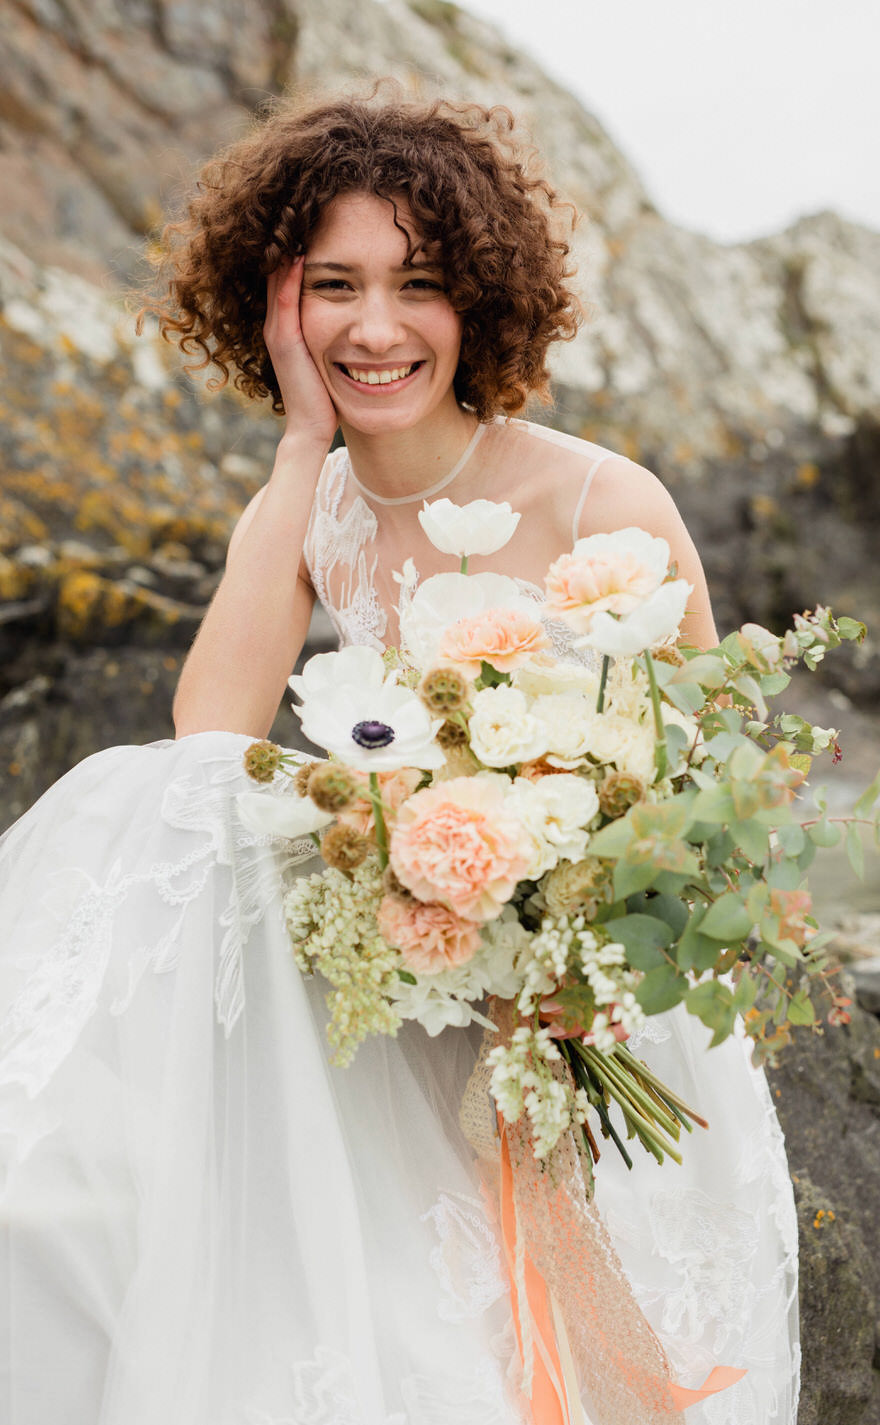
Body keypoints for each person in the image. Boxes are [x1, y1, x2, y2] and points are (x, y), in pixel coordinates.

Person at [0, 92, 799, 1423]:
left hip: (578, 1009)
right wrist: (302, 440)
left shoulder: (599, 503)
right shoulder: (314, 501)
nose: (374, 328)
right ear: (279, 307)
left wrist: (544, 927)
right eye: (334, 287)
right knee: (172, 800)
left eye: (417, 285)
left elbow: (715, 819)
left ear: (477, 300)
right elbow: (210, 739)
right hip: (401, 978)